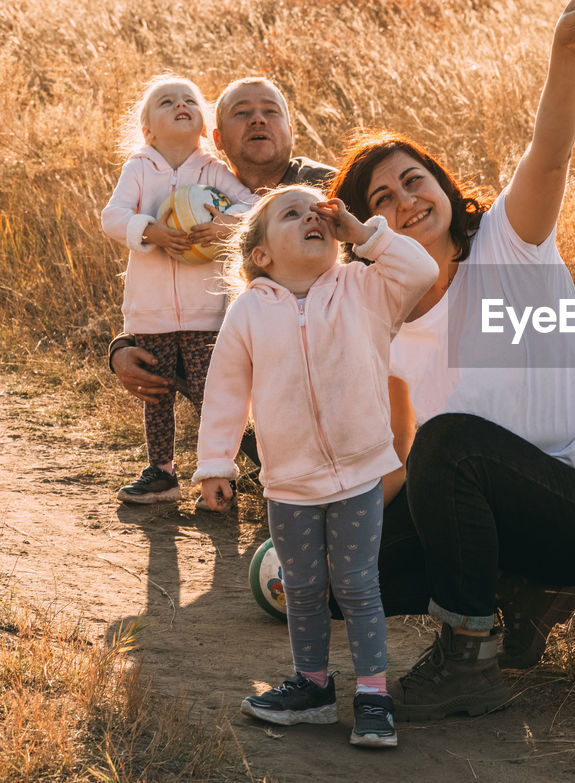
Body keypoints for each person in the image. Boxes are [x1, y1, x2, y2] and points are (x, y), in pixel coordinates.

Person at [329, 0, 575, 721]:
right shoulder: (387, 327)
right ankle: (522, 593)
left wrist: (565, 57)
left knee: (448, 443)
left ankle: (468, 657)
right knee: (352, 581)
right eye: (381, 198)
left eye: (415, 180)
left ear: (444, 186)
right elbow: (397, 473)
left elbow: (549, 154)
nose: (405, 200)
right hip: (512, 515)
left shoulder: (509, 246)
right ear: (366, 232)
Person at [193, 185, 438, 748]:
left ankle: (373, 696)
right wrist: (215, 464)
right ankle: (312, 689)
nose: (312, 217)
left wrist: (366, 234)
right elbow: (225, 390)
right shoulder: (249, 311)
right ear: (261, 255)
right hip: (289, 481)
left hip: (358, 473)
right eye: (292, 213)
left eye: (319, 211)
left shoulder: (363, 288)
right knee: (302, 589)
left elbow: (421, 270)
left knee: (356, 587)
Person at [107, 77, 335, 507]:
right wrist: (122, 345)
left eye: (271, 111)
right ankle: (191, 471)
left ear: (290, 129)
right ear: (217, 138)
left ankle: (303, 479)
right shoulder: (200, 192)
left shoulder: (320, 187)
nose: (258, 120)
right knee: (195, 361)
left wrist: (243, 228)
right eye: (242, 113)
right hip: (235, 352)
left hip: (327, 367)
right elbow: (159, 281)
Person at [101, 75, 256, 504]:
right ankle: (162, 472)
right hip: (150, 308)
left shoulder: (213, 170)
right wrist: (148, 229)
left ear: (204, 124)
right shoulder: (138, 168)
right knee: (157, 390)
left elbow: (252, 205)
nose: (180, 104)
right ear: (148, 128)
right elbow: (112, 216)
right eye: (166, 102)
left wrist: (226, 223)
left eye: (189, 99)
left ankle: (220, 472)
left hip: (206, 308)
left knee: (214, 392)